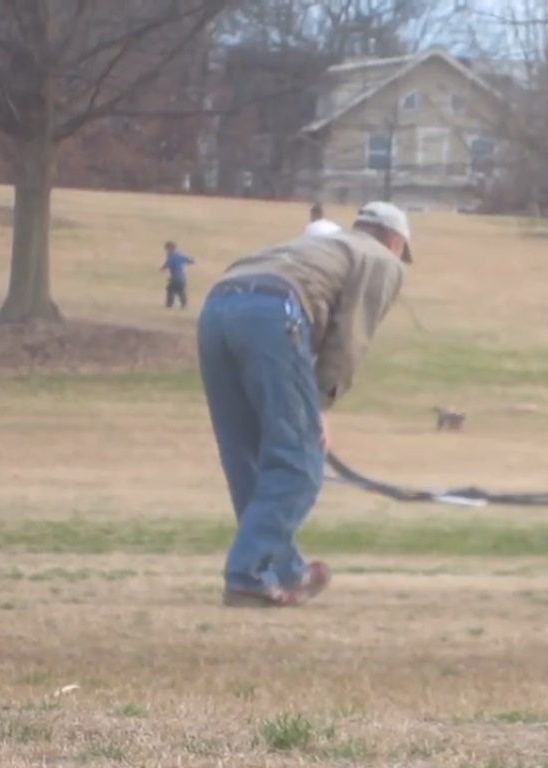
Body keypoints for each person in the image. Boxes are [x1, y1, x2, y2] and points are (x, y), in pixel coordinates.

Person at [198, 201, 412, 608]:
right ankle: (246, 575)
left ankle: (285, 570)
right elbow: (350, 340)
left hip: (217, 307)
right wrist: (318, 404)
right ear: (395, 240)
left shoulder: (325, 248)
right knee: (299, 461)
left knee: (246, 455)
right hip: (273, 311)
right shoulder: (381, 258)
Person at [160, 241, 196, 309]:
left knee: (171, 290)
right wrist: (192, 260)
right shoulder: (179, 255)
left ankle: (170, 304)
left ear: (170, 249)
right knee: (180, 291)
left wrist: (162, 268)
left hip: (176, 277)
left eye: (167, 249)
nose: (166, 251)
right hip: (181, 277)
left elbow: (167, 264)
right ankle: (183, 304)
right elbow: (189, 260)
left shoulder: (172, 256)